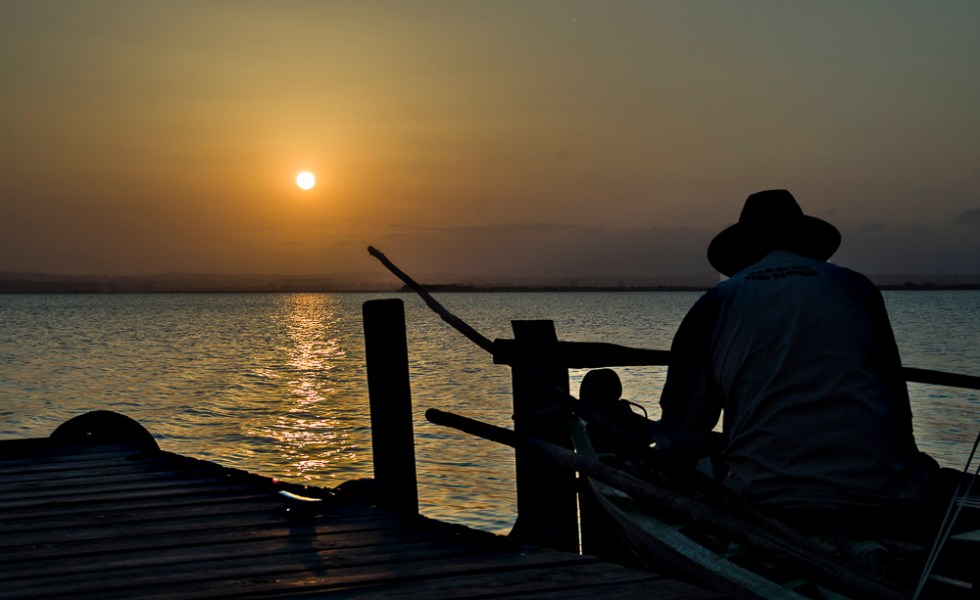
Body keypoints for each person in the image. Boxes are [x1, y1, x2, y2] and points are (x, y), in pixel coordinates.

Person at [655, 189, 942, 537]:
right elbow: (896, 402)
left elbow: (682, 435)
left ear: (744, 251)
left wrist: (661, 470)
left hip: (767, 503)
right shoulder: (855, 287)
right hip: (885, 496)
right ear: (804, 242)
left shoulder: (718, 302)